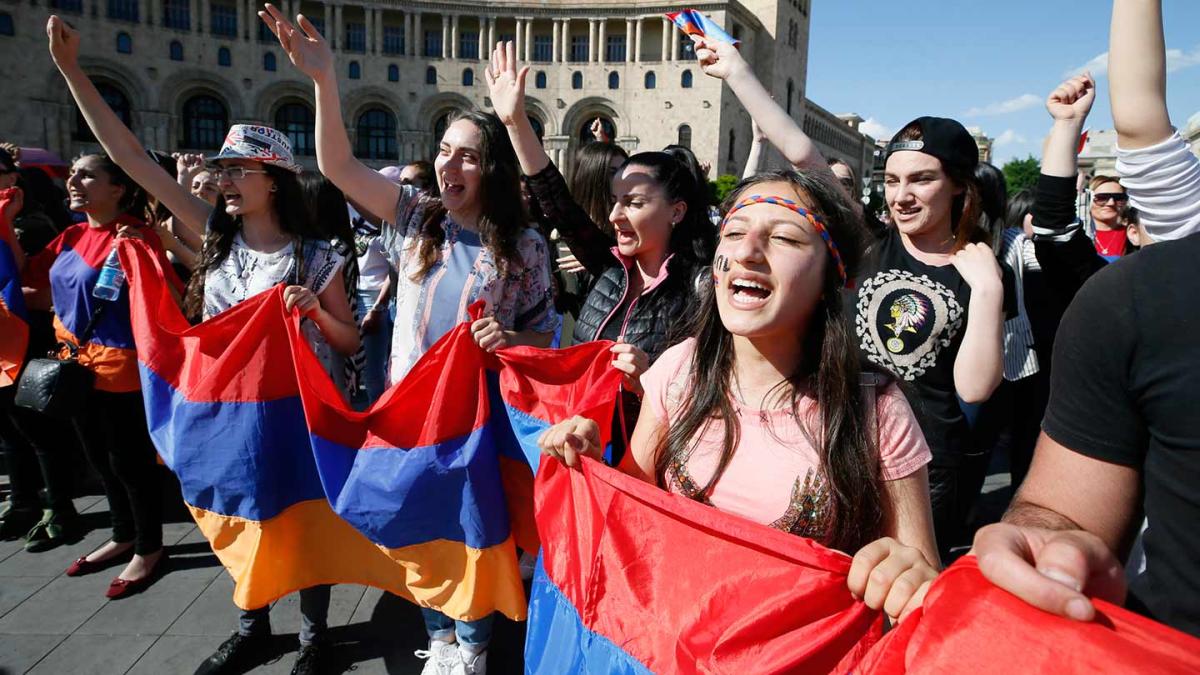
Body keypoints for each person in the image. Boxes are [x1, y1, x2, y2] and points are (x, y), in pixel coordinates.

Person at [48, 15, 360, 674]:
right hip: (227, 415)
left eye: (240, 169)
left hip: (300, 416)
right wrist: (73, 70)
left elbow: (351, 337)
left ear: (273, 177)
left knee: (303, 522)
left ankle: (311, 636)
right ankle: (253, 624)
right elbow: (131, 157)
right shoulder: (214, 237)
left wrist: (313, 316)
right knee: (237, 517)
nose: (225, 180)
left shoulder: (316, 257)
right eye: (224, 171)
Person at [262, 11, 558, 673]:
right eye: (446, 149)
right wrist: (324, 79)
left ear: (492, 169)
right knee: (418, 528)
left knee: (472, 533)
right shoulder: (413, 215)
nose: (451, 164)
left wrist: (508, 335)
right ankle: (442, 641)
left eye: (469, 155)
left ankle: (472, 647)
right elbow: (336, 164)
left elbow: (545, 328)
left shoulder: (525, 244)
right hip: (407, 411)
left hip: (476, 417)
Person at [539, 170, 940, 627]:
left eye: (784, 238)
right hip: (666, 643)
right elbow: (635, 507)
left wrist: (907, 578)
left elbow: (921, 585)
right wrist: (591, 465)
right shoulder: (679, 368)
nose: (747, 253)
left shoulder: (875, 411)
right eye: (733, 233)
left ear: (832, 274)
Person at [973, 0, 1200, 638]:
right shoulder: (1137, 293)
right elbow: (1135, 120)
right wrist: (1047, 542)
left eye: (1116, 198)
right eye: (1106, 198)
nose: (1114, 206)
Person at [486, 41, 712, 457]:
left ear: (676, 212)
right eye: (615, 201)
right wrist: (516, 120)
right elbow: (556, 201)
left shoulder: (702, 289)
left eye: (635, 203)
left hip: (648, 465)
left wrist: (647, 383)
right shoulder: (607, 266)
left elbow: (712, 398)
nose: (615, 215)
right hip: (581, 453)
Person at [850, 115, 1014, 561]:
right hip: (843, 444)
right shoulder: (867, 243)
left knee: (903, 592)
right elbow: (802, 152)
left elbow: (975, 388)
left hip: (926, 465)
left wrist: (987, 289)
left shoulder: (983, 270)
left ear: (958, 185)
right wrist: (736, 72)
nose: (901, 195)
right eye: (892, 180)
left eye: (922, 180)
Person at [19, 150, 180, 595]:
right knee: (96, 459)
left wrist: (142, 251)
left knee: (128, 463)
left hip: (118, 368)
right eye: (72, 173)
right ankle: (122, 534)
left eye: (88, 175)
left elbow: (167, 298)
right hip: (71, 366)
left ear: (118, 189)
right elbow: (29, 287)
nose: (74, 181)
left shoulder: (135, 236)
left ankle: (148, 548)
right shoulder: (68, 235)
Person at [1086, 175, 1128, 261]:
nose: (1111, 203)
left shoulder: (1134, 235)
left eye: (1118, 198)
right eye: (1102, 198)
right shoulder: (1077, 235)